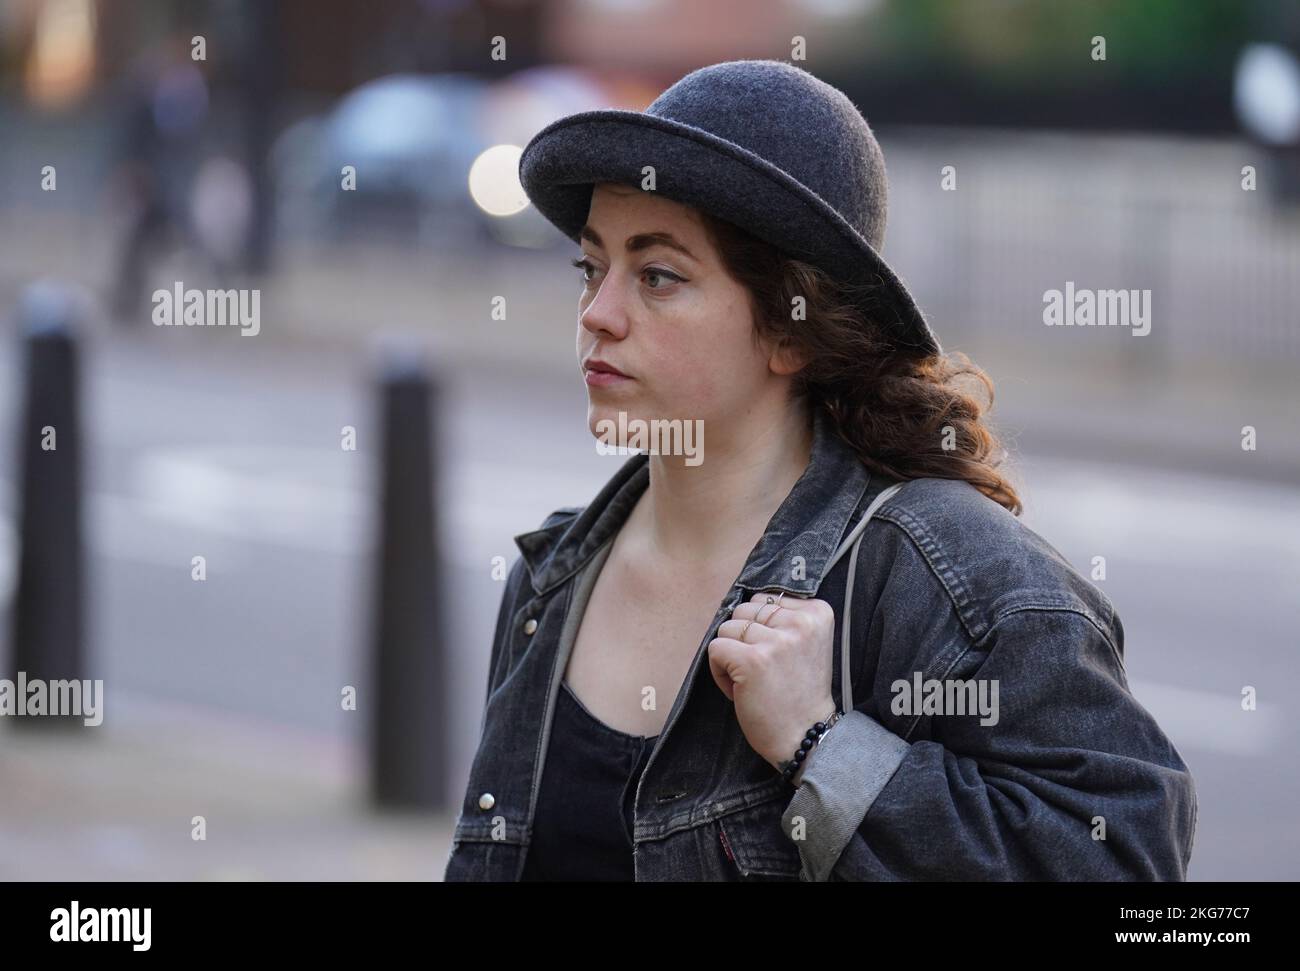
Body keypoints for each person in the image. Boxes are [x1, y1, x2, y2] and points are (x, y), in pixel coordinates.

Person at [443, 59, 1197, 881]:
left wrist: (821, 747)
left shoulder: (943, 580)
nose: (597, 314)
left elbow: (1125, 860)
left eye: (657, 275)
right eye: (593, 267)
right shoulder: (551, 581)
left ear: (793, 327)